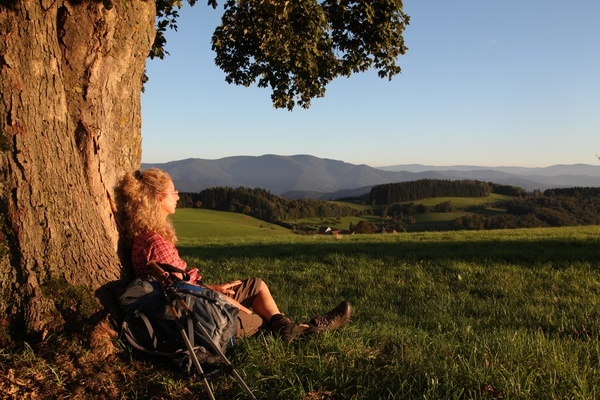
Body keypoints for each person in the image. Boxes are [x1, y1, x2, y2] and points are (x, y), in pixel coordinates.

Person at [118, 167, 351, 341]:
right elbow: (177, 295)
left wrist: (213, 288)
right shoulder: (154, 242)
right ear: (160, 197)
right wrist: (221, 299)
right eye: (173, 191)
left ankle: (287, 326)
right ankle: (308, 330)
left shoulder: (150, 237)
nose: (178, 196)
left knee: (256, 286)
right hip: (197, 314)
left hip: (197, 299)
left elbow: (178, 285)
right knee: (261, 323)